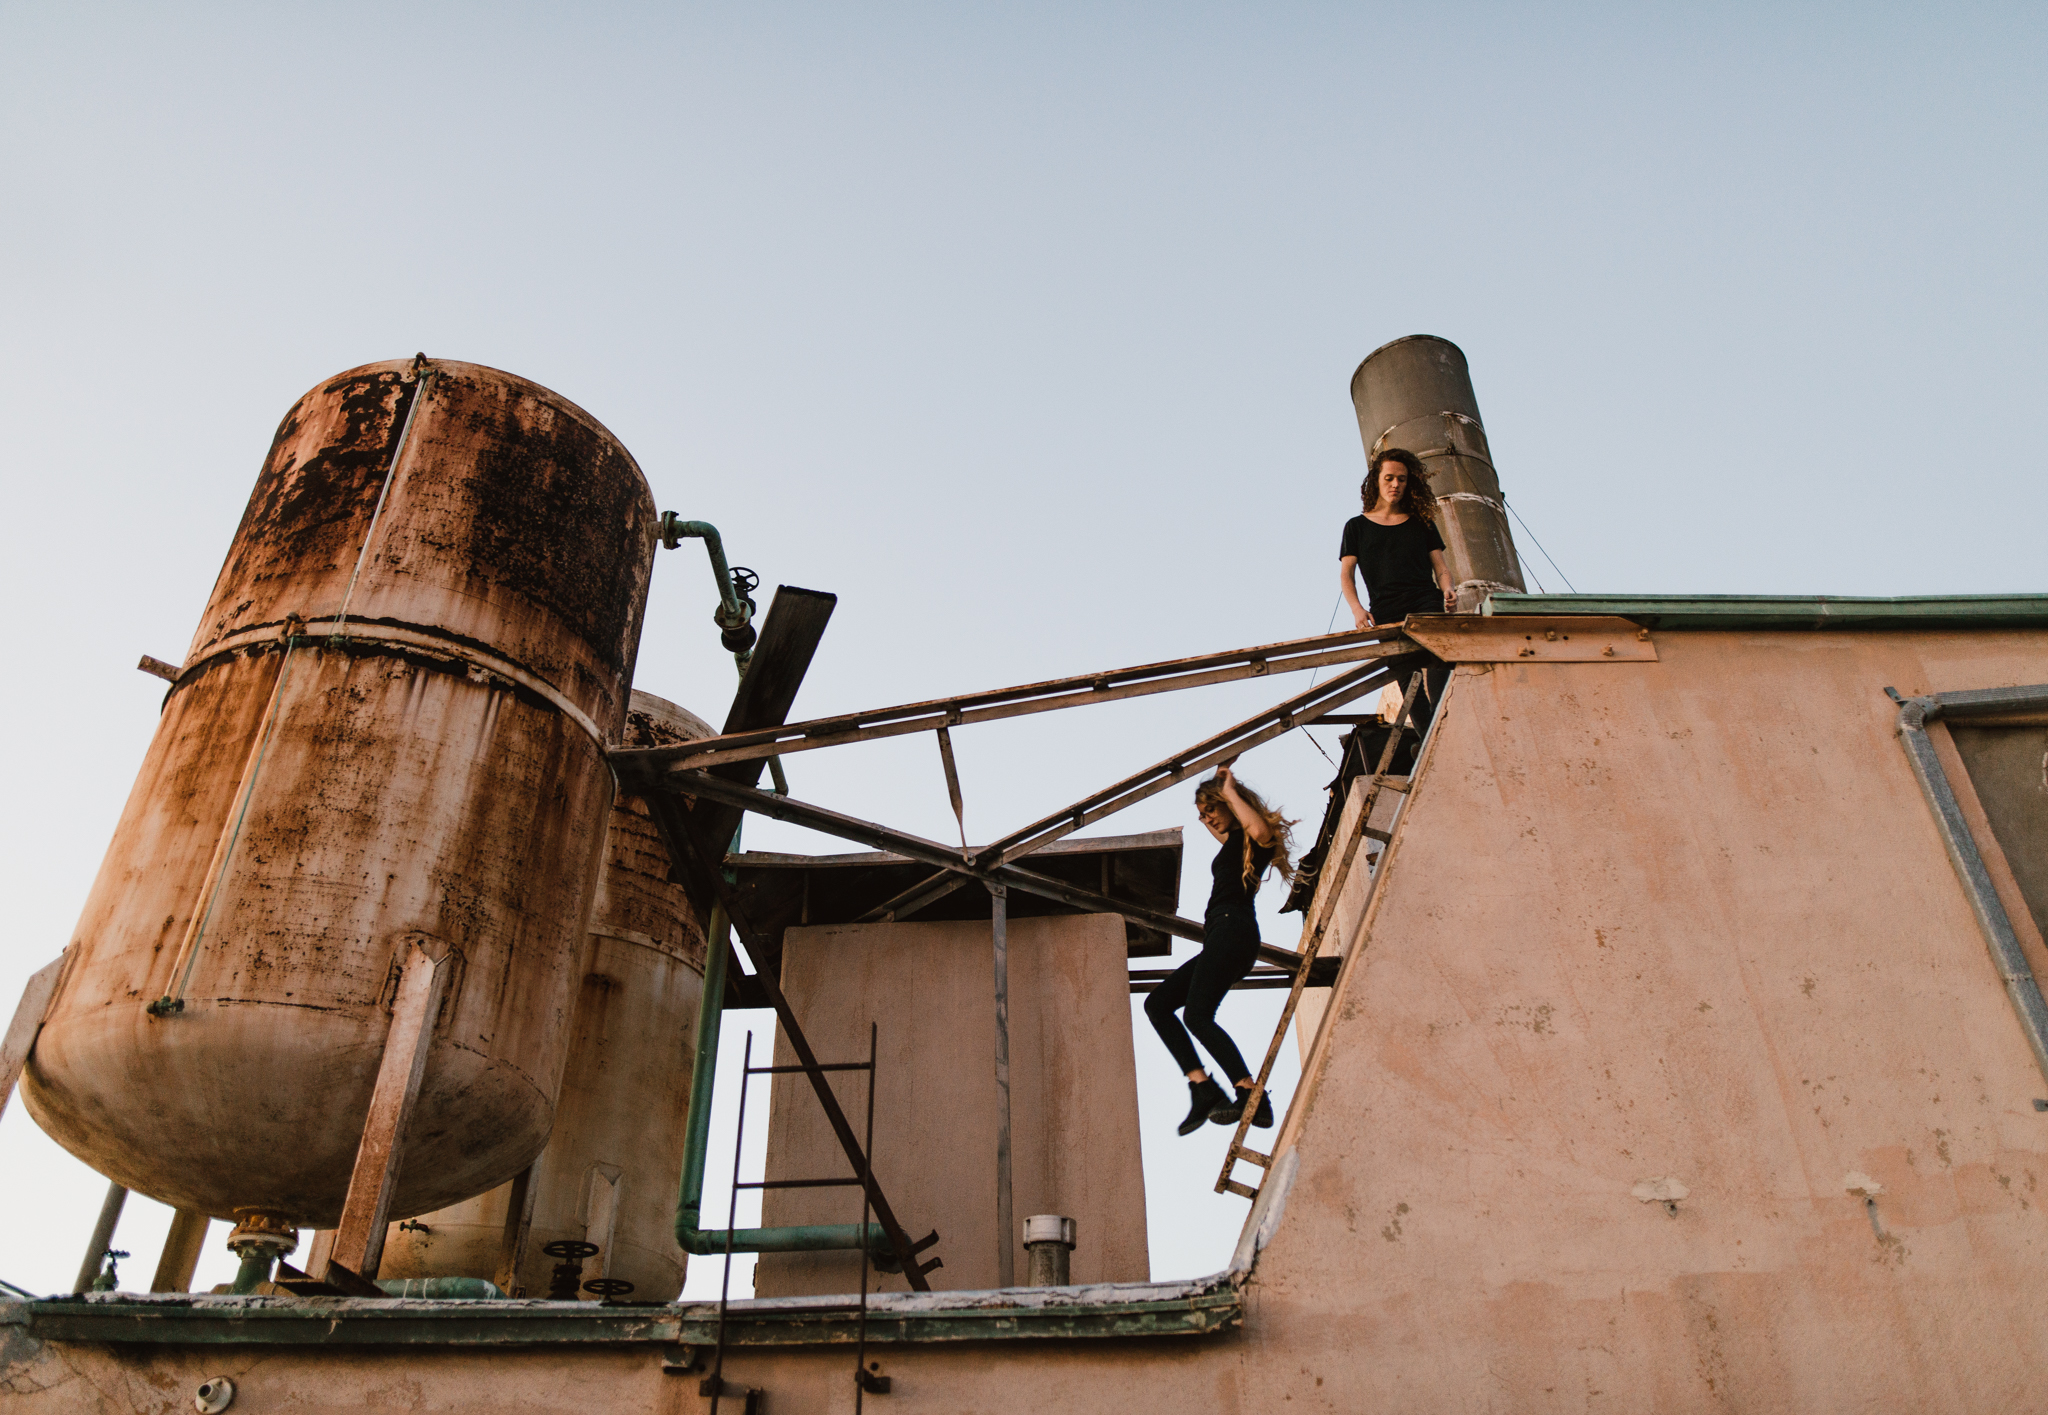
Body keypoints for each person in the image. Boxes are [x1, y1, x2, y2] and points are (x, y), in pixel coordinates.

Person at [1143, 763, 1297, 1135]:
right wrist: (1217, 798)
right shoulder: (1235, 846)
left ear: (1231, 803)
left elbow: (1257, 827)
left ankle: (1248, 1092)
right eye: (1201, 814)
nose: (1206, 818)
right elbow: (1230, 835)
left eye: (1209, 809)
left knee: (1197, 1016)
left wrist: (1228, 789)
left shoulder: (1256, 838)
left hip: (1234, 932)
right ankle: (1203, 1087)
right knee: (1158, 1005)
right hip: (1224, 936)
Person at [1338, 447, 1456, 730]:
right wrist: (1357, 610)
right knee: (1406, 676)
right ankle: (1428, 736)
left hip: (1426, 601)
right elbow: (1346, 574)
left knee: (1440, 657)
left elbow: (1440, 567)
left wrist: (1449, 589)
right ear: (1376, 481)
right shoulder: (1356, 527)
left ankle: (1444, 723)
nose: (1395, 485)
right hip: (1386, 609)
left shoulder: (1422, 524)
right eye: (1389, 478)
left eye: (1401, 479)